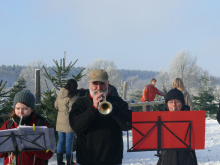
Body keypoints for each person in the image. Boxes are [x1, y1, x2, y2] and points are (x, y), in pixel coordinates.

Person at [69, 69, 132, 165]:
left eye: (102, 83)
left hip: (112, 160)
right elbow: (76, 127)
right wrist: (93, 108)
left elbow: (128, 125)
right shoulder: (80, 103)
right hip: (87, 160)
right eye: (95, 84)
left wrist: (113, 108)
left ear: (108, 84)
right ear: (89, 84)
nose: (99, 88)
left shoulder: (117, 102)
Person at [0, 90, 53, 165]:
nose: (20, 112)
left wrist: (31, 145)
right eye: (17, 108)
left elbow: (49, 153)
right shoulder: (8, 125)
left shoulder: (41, 124)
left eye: (25, 108)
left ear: (31, 109)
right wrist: (9, 145)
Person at [157, 88, 198, 165]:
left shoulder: (190, 119)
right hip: (167, 157)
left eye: (177, 102)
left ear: (182, 104)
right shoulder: (160, 120)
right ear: (167, 105)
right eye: (170, 102)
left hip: (186, 157)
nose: (174, 105)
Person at [55, 79, 79, 165]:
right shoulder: (72, 97)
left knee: (60, 141)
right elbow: (73, 110)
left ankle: (59, 162)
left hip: (59, 120)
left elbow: (56, 106)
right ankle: (69, 161)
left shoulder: (60, 94)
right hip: (68, 121)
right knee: (69, 141)